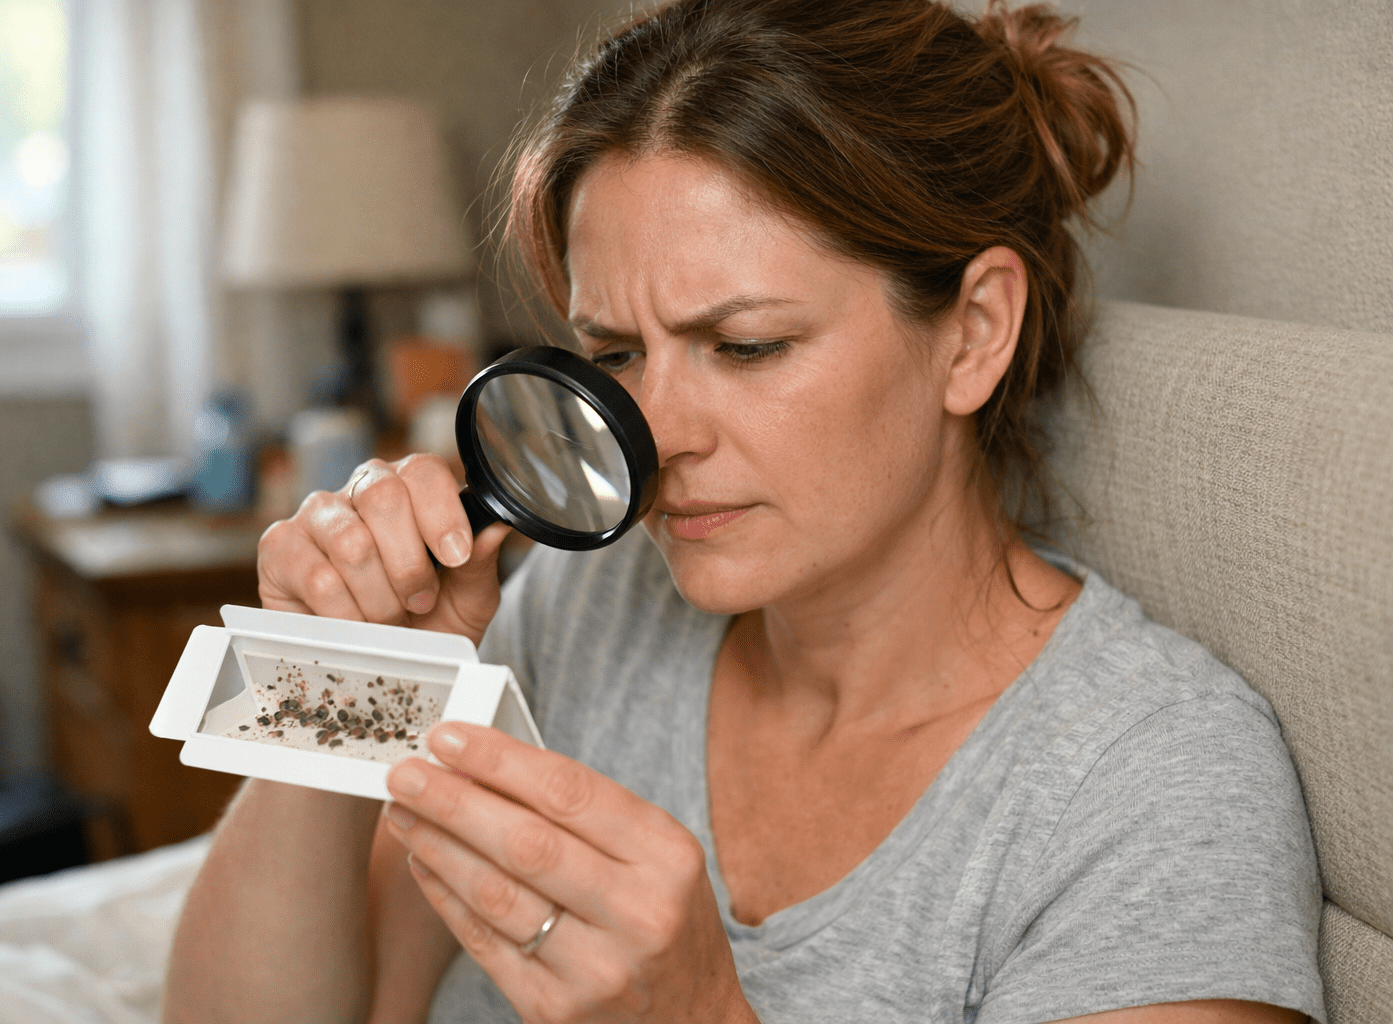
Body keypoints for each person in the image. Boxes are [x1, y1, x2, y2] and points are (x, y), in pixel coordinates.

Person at [163, 1, 1325, 1021]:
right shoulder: (587, 595)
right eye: (614, 352)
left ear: (973, 332)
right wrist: (334, 691)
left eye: (748, 345)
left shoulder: (1152, 782)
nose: (655, 440)